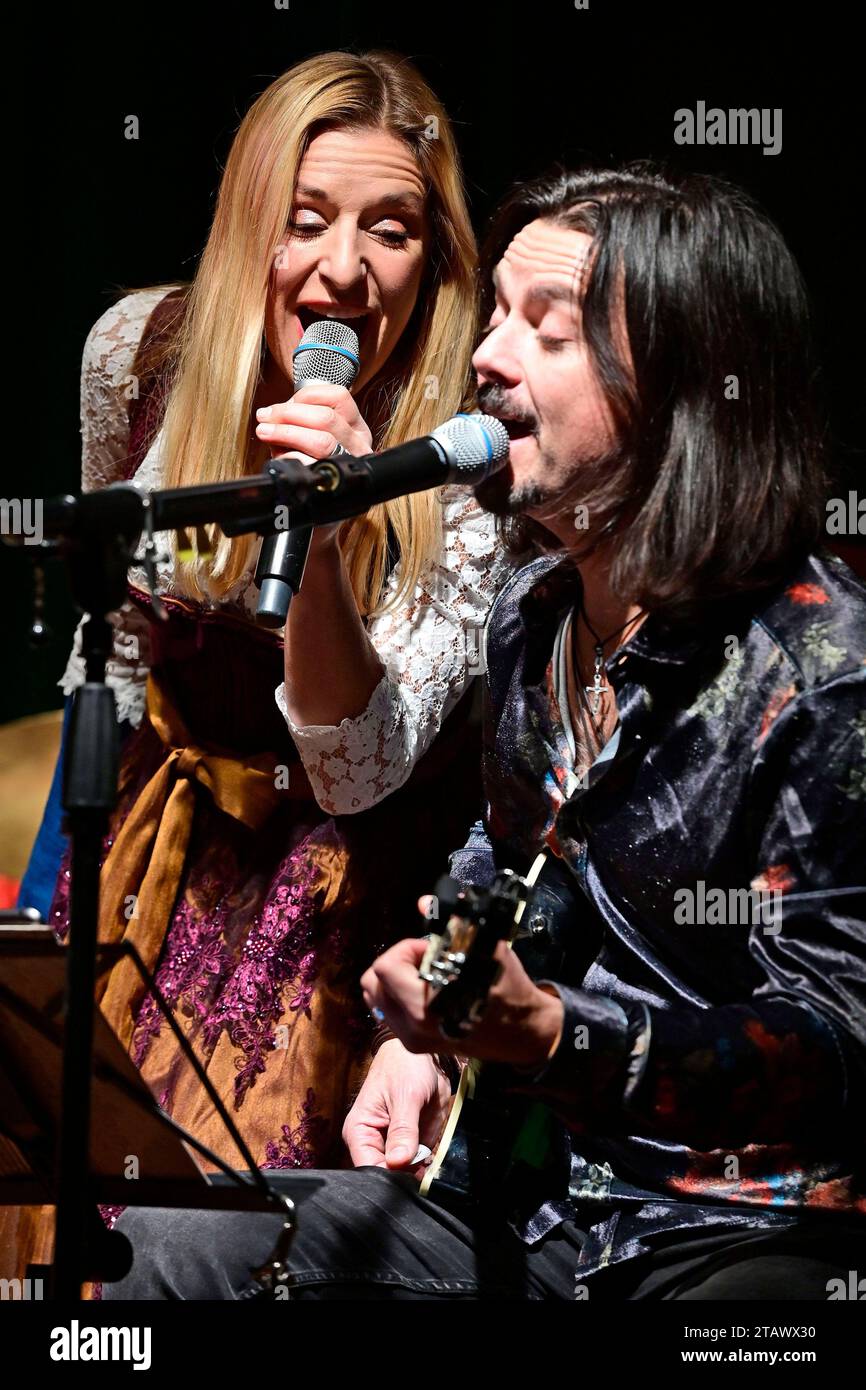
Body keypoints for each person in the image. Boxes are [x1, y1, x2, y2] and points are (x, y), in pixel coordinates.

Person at [105, 163, 864, 1300]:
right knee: (176, 1245)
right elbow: (512, 858)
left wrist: (560, 1034)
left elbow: (837, 1046)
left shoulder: (822, 671)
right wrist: (425, 1028)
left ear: (685, 391)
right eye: (497, 314)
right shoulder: (537, 608)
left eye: (545, 332)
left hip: (748, 1236)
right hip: (542, 1203)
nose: (487, 357)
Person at [9, 47, 519, 1276]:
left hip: (342, 901)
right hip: (154, 847)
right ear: (251, 228)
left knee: (214, 1245)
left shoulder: (464, 446)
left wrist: (333, 531)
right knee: (55, 1211)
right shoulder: (137, 352)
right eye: (306, 221)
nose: (343, 268)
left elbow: (356, 772)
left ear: (432, 257)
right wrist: (41, 898)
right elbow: (120, 661)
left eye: (390, 231)